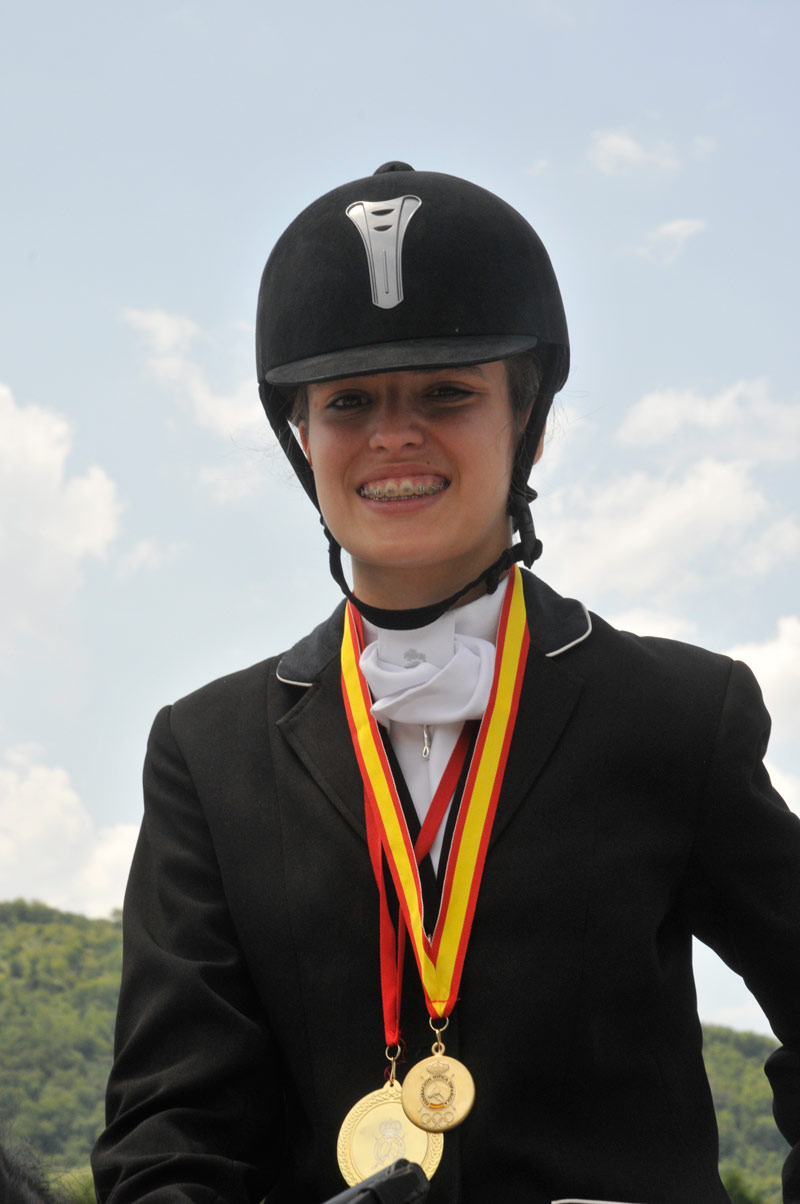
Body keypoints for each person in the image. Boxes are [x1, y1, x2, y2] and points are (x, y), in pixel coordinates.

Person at [91, 162, 800, 1204]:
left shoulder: (677, 714)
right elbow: (171, 1126)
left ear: (531, 422)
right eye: (347, 402)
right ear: (303, 440)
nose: (392, 435)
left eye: (446, 393)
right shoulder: (207, 751)